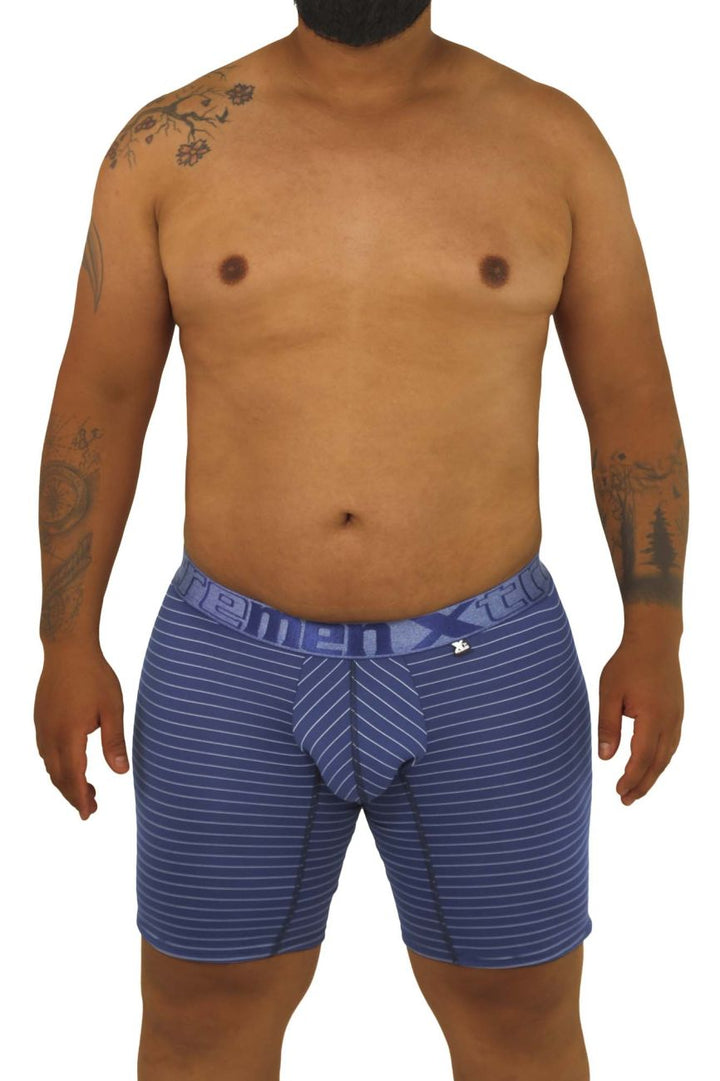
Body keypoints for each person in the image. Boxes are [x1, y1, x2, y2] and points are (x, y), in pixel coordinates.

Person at [33, 1, 688, 1078]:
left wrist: (655, 628)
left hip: (491, 664)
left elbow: (631, 405)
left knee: (522, 1020)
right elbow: (100, 402)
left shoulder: (552, 141)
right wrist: (66, 640)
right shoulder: (167, 146)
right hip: (227, 665)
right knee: (198, 1020)